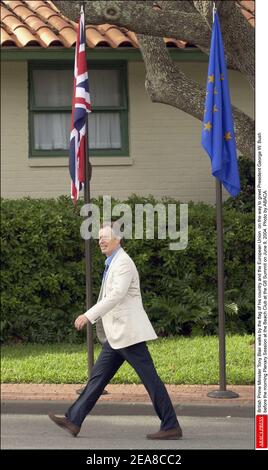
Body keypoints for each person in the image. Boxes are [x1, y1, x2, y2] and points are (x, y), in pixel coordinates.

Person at [48, 222, 182, 440]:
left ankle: (171, 425)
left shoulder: (123, 264)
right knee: (97, 379)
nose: (100, 241)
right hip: (116, 336)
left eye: (105, 237)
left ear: (118, 239)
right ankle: (73, 420)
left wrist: (88, 315)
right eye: (99, 237)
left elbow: (116, 296)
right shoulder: (112, 263)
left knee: (150, 379)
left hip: (128, 334)